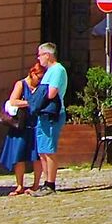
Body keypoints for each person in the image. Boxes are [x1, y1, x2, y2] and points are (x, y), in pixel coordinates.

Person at [0, 62, 45, 194]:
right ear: (33, 73)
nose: (40, 80)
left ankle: (36, 184)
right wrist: (29, 103)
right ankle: (19, 185)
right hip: (21, 125)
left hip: (36, 124)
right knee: (19, 156)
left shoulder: (41, 87)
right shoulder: (21, 84)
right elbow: (13, 101)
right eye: (39, 77)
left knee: (37, 156)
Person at [33, 43, 69, 193]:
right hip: (43, 114)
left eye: (40, 55)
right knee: (42, 150)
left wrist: (38, 95)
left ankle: (50, 183)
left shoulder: (57, 70)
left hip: (52, 114)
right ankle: (45, 183)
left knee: (49, 149)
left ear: (47, 55)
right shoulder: (49, 71)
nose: (38, 58)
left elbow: (51, 93)